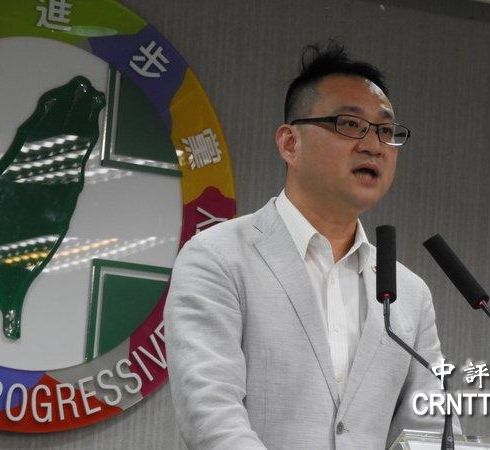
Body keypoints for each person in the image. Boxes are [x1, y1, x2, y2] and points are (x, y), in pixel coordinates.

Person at [164, 42, 459, 449]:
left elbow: (432, 429)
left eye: (385, 131)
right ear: (290, 144)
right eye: (350, 124)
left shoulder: (408, 293)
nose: (373, 145)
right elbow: (211, 415)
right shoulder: (217, 258)